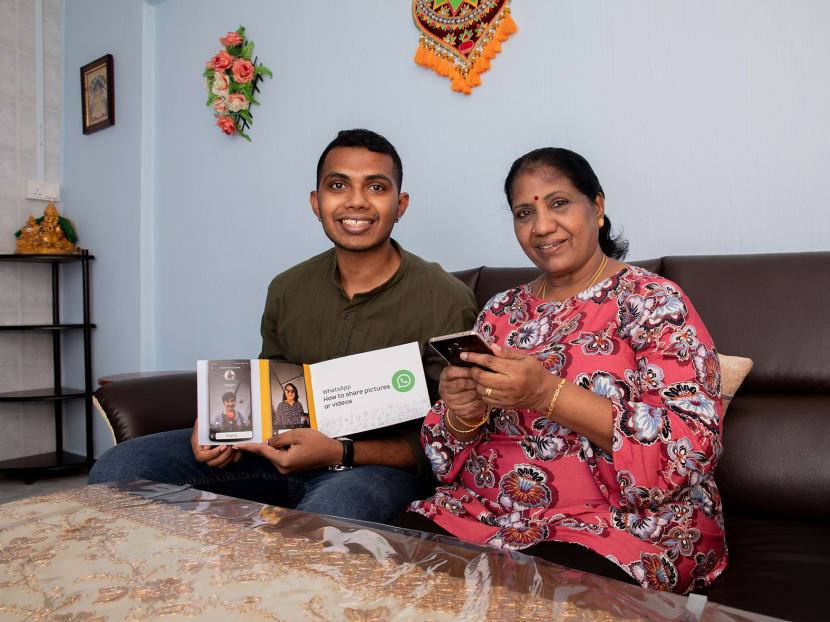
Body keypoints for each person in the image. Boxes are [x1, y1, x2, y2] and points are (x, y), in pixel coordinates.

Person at [89, 129, 478, 524]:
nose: (356, 201)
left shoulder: (445, 300)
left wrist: (339, 452)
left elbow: (450, 438)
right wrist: (221, 431)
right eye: (338, 185)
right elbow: (270, 397)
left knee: (329, 517)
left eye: (376, 186)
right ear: (316, 201)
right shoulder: (288, 288)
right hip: (277, 458)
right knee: (120, 467)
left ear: (401, 204)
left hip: (376, 472)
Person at [398, 148, 726, 593]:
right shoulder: (500, 312)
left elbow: (691, 445)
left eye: (558, 203)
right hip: (484, 514)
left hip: (617, 526)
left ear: (598, 205)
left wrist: (546, 393)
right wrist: (461, 411)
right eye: (524, 213)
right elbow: (441, 457)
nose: (542, 227)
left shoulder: (653, 302)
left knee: (535, 600)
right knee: (387, 577)